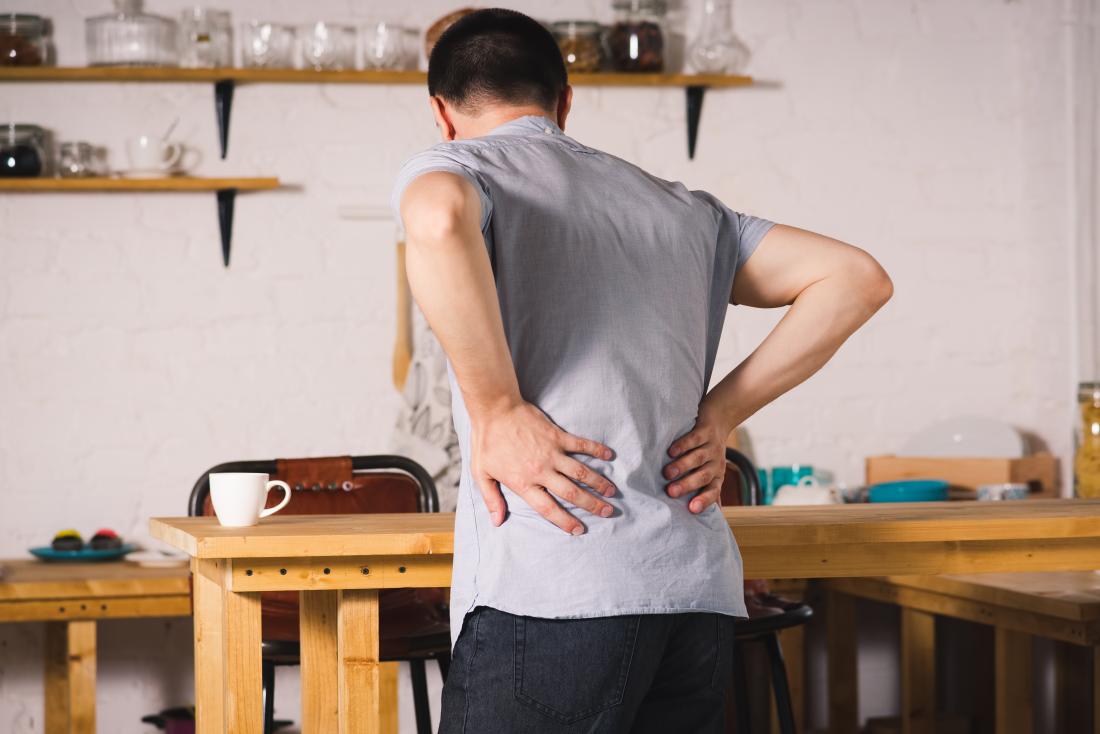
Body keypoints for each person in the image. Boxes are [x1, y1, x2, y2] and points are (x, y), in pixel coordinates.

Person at [391, 9, 892, 733]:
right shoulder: (683, 208)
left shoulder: (462, 167)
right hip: (695, 599)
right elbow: (857, 279)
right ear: (565, 101)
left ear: (440, 112)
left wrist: (497, 408)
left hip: (555, 592)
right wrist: (720, 416)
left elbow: (435, 219)